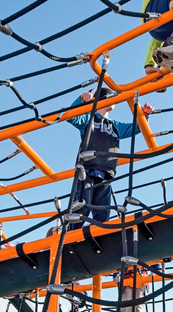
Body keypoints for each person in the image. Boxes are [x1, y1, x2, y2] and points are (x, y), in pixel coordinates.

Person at [66, 89, 153, 224]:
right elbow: (70, 116)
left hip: (106, 173)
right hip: (87, 170)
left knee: (103, 211)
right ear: (100, 99)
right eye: (111, 97)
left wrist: (144, 116)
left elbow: (136, 128)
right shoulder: (89, 118)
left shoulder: (115, 125)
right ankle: (71, 237)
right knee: (83, 205)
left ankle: (100, 237)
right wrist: (81, 100)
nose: (115, 101)